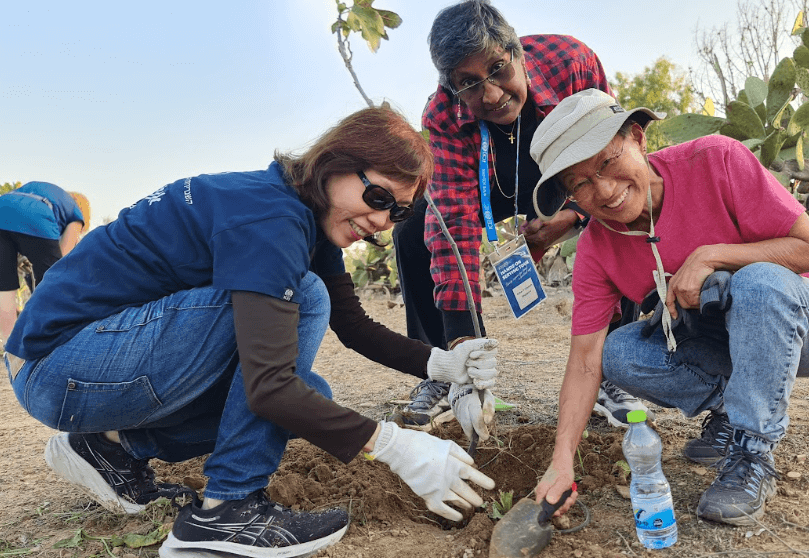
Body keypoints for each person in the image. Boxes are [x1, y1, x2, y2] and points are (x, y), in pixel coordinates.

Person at [3, 106, 499, 558]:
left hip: (68, 369)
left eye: (400, 211)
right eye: (377, 197)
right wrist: (396, 446)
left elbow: (354, 327)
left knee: (311, 396)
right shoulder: (272, 218)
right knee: (304, 306)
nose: (382, 220)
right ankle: (227, 510)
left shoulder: (301, 213)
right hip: (62, 363)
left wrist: (445, 365)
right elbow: (269, 388)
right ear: (336, 162)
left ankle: (109, 447)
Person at [529, 89, 809, 526]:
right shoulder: (596, 247)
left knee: (756, 281)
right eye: (580, 185)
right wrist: (561, 460)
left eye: (607, 163)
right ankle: (730, 411)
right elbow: (586, 360)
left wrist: (711, 256)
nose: (604, 191)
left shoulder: (715, 160)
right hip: (724, 339)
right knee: (619, 352)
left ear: (637, 138)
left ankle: (752, 454)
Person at [393, 0, 647, 429]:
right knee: (415, 225)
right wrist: (463, 346)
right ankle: (442, 375)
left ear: (517, 52)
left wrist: (573, 217)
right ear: (451, 86)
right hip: (489, 182)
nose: (491, 95)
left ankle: (610, 372)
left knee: (618, 209)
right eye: (468, 84)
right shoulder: (442, 115)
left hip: (568, 170)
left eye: (497, 69)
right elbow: (452, 220)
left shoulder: (572, 62)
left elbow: (615, 159)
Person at [0, 183, 89, 347]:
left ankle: (11, 351)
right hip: (37, 217)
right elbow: (63, 261)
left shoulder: (49, 193)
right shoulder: (76, 214)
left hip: (2, 207)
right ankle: (50, 345)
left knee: (5, 289)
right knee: (55, 283)